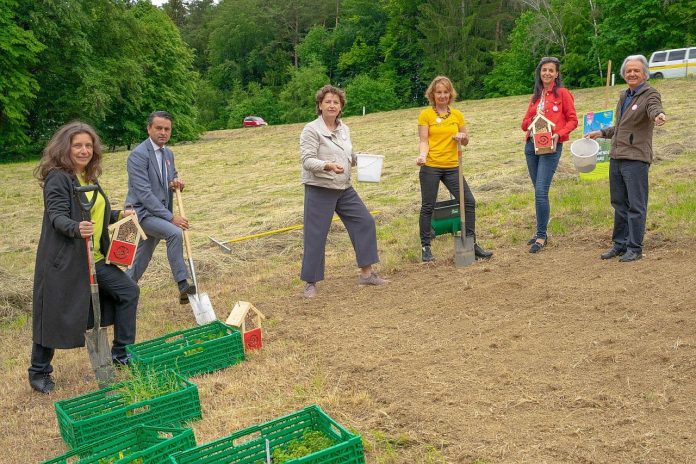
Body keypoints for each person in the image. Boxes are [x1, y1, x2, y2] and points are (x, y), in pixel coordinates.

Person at [30, 121, 140, 393]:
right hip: (66, 261)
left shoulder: (88, 177)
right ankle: (39, 371)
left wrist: (118, 216)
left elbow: (95, 213)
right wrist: (75, 228)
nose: (83, 150)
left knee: (128, 291)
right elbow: (56, 216)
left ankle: (121, 353)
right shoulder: (58, 177)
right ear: (64, 147)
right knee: (54, 313)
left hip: (96, 258)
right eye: (77, 145)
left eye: (88, 145)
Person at [300, 85, 388, 298]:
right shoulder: (311, 129)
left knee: (364, 221)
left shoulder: (344, 129)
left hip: (344, 187)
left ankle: (366, 274)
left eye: (336, 102)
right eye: (328, 101)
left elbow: (347, 154)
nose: (332, 105)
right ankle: (311, 283)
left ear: (341, 107)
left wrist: (362, 160)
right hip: (320, 187)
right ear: (320, 105)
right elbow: (307, 160)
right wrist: (327, 165)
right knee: (316, 235)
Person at [587, 55, 666, 262]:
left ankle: (635, 247)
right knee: (619, 203)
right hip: (617, 156)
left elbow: (654, 108)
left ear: (644, 74)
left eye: (636, 70)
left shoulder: (650, 94)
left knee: (636, 205)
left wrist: (658, 115)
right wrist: (602, 133)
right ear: (623, 74)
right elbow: (620, 127)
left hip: (636, 158)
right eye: (628, 70)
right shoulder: (624, 96)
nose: (632, 73)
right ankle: (620, 244)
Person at [417, 75, 493, 262]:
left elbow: (466, 140)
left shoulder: (457, 115)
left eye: (445, 92)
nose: (442, 96)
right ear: (432, 94)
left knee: (468, 202)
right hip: (431, 166)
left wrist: (462, 137)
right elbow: (424, 141)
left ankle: (471, 243)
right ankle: (426, 247)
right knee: (428, 206)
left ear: (450, 94)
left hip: (452, 167)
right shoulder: (426, 115)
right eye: (438, 92)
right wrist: (422, 156)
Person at [125, 111, 195, 303]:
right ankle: (183, 283)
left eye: (167, 129)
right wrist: (171, 218)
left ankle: (123, 291)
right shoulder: (138, 156)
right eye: (159, 128)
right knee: (174, 233)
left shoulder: (168, 153)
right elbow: (144, 194)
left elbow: (172, 176)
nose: (163, 132)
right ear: (149, 129)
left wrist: (177, 183)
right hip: (141, 213)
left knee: (142, 256)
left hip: (158, 213)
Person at [521, 57, 578, 253]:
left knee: (540, 191)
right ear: (539, 73)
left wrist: (558, 134)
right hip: (531, 147)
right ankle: (539, 231)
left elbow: (573, 120)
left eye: (551, 70)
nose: (547, 73)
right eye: (544, 70)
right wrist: (532, 118)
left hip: (551, 148)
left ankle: (542, 236)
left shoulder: (562, 94)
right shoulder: (536, 96)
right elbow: (524, 124)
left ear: (557, 73)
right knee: (538, 191)